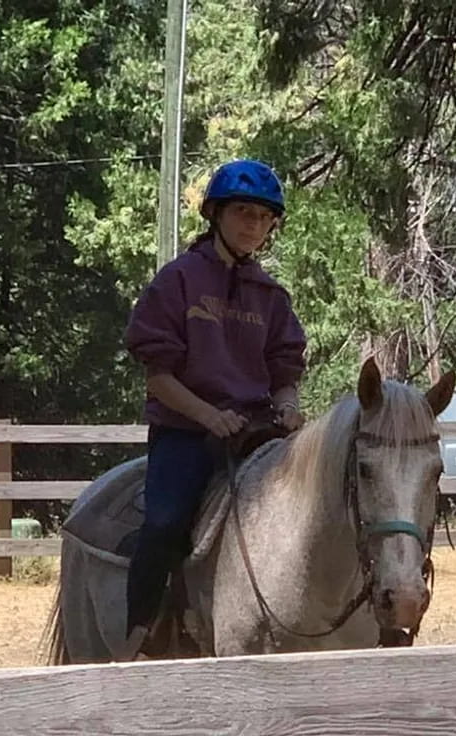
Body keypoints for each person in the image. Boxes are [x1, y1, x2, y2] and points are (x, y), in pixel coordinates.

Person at [122, 159, 308, 656]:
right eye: (243, 212)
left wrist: (289, 407)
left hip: (256, 430)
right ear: (215, 214)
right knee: (164, 521)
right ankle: (141, 629)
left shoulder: (271, 296)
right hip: (186, 432)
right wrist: (208, 415)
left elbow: (284, 371)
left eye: (264, 217)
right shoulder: (177, 281)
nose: (253, 224)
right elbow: (158, 377)